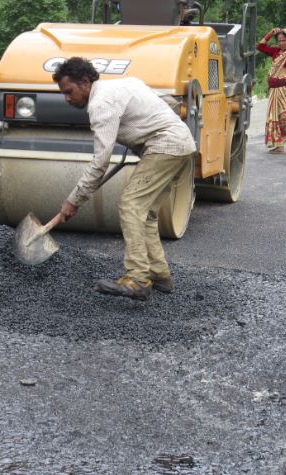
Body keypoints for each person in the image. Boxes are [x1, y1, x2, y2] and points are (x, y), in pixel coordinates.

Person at [52, 57, 196, 301]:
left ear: (85, 82)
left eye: (69, 91)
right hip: (183, 144)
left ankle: (138, 278)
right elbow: (169, 103)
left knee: (131, 205)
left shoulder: (100, 104)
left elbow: (100, 162)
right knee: (147, 214)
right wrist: (142, 128)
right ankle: (159, 274)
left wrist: (73, 200)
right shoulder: (125, 84)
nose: (66, 98)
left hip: (165, 146)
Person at [256, 27, 286, 154]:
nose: (281, 43)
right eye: (279, 41)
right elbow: (260, 47)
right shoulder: (276, 52)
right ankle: (279, 146)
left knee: (285, 116)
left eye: (284, 40)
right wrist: (269, 34)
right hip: (274, 90)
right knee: (275, 117)